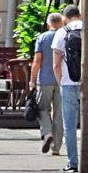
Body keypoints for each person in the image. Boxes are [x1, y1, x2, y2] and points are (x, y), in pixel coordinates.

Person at [55, 5, 88, 173]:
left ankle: (73, 162)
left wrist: (60, 81)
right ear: (80, 15)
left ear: (65, 17)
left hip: (68, 83)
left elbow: (56, 64)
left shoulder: (61, 33)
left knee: (69, 126)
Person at [32, 11, 64, 154]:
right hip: (62, 80)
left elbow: (37, 60)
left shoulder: (42, 37)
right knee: (59, 113)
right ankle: (56, 147)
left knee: (42, 109)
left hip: (44, 79)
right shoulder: (65, 36)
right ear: (61, 22)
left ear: (48, 24)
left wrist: (32, 80)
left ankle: (47, 132)